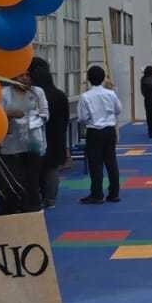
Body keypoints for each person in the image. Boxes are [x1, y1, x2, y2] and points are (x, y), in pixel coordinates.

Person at [0, 70, 48, 214]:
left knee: (32, 178)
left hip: (33, 142)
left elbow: (45, 114)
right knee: (13, 178)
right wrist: (10, 114)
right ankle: (11, 207)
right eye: (21, 75)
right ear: (13, 77)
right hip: (10, 143)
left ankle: (33, 207)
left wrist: (31, 118)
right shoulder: (3, 93)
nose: (25, 78)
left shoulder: (37, 92)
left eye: (27, 75)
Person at [77, 65, 122, 205]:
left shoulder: (85, 96)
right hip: (109, 130)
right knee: (111, 161)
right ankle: (114, 193)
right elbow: (118, 110)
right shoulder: (111, 94)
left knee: (95, 164)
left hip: (94, 131)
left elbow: (82, 117)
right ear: (103, 78)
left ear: (88, 79)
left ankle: (97, 194)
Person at [30, 58, 68, 209]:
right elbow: (65, 119)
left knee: (33, 170)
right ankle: (50, 199)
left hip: (34, 138)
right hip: (56, 137)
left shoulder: (31, 96)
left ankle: (35, 198)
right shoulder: (59, 95)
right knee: (52, 169)